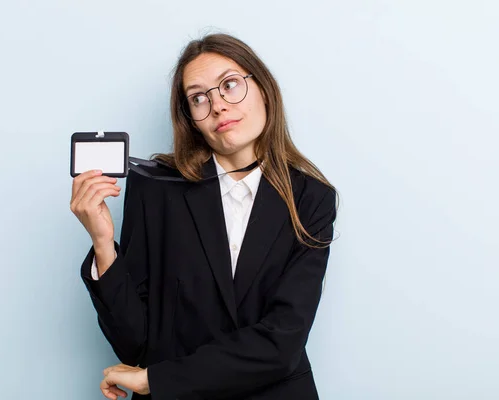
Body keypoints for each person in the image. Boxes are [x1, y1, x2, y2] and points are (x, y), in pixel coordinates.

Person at [70, 33, 337, 400]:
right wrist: (103, 244)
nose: (218, 106)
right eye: (199, 98)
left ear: (263, 89)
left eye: (229, 85)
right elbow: (135, 344)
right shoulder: (157, 190)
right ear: (191, 119)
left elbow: (283, 341)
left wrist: (155, 380)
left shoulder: (311, 199)